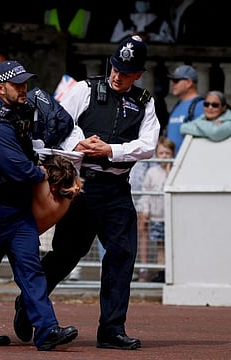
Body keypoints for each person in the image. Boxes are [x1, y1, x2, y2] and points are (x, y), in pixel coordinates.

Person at [13, 35, 161, 350]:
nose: (118, 75)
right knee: (67, 254)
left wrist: (112, 149)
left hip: (118, 189)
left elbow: (148, 145)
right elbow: (57, 123)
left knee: (122, 256)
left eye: (126, 71)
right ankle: (27, 304)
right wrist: (78, 143)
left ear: (139, 74)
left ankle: (111, 330)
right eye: (115, 68)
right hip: (82, 186)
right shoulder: (85, 89)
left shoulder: (146, 101)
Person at [0, 60, 78, 351]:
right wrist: (41, 172)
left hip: (17, 211)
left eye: (24, 83)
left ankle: (46, 330)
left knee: (30, 270)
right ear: (0, 88)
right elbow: (20, 169)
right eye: (17, 84)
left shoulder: (21, 113)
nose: (23, 88)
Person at [139, 136, 175, 283]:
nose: (164, 156)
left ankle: (172, 271)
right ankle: (162, 271)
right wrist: (145, 209)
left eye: (167, 153)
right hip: (157, 216)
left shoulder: (175, 170)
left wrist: (168, 171)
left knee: (172, 245)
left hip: (172, 216)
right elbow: (146, 192)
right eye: (161, 153)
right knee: (160, 245)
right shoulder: (152, 172)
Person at [166, 65, 204, 153]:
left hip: (189, 162)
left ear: (189, 83)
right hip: (171, 162)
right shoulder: (177, 105)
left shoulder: (200, 105)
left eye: (176, 80)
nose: (172, 83)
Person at [110, 0, 175, 44]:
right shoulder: (124, 20)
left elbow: (170, 41)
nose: (142, 2)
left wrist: (150, 37)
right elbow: (114, 40)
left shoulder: (161, 22)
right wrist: (130, 35)